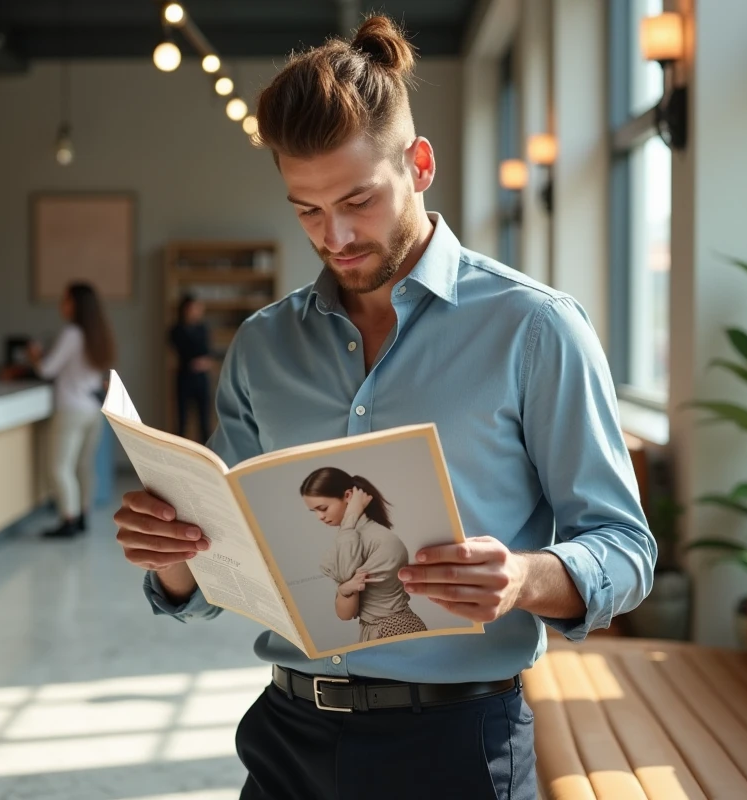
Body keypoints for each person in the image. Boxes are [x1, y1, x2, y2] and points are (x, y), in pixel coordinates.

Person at [113, 16, 655, 800]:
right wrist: (171, 555)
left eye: (357, 200)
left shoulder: (534, 328)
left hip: (456, 743)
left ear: (419, 164)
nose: (334, 235)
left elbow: (627, 550)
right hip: (287, 736)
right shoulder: (263, 346)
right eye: (306, 210)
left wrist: (523, 577)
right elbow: (221, 559)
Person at [30, 282, 115, 539]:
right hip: (93, 410)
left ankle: (69, 518)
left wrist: (35, 356)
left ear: (75, 304)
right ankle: (82, 516)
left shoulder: (72, 333)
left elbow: (47, 369)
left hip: (71, 410)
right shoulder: (97, 334)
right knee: (83, 466)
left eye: (65, 299)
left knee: (59, 467)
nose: (61, 304)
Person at [301, 467, 427, 641]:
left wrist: (350, 518)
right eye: (314, 511)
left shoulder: (373, 539)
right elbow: (345, 612)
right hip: (379, 629)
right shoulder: (353, 537)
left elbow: (346, 587)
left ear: (348, 496)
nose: (319, 517)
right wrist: (344, 588)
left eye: (323, 508)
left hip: (392, 631)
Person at [168, 294, 213, 442]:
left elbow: (208, 352)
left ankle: (206, 451)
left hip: (201, 379)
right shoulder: (176, 330)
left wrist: (206, 362)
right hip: (185, 378)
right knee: (181, 421)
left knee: (204, 422)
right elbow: (182, 352)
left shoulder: (202, 329)